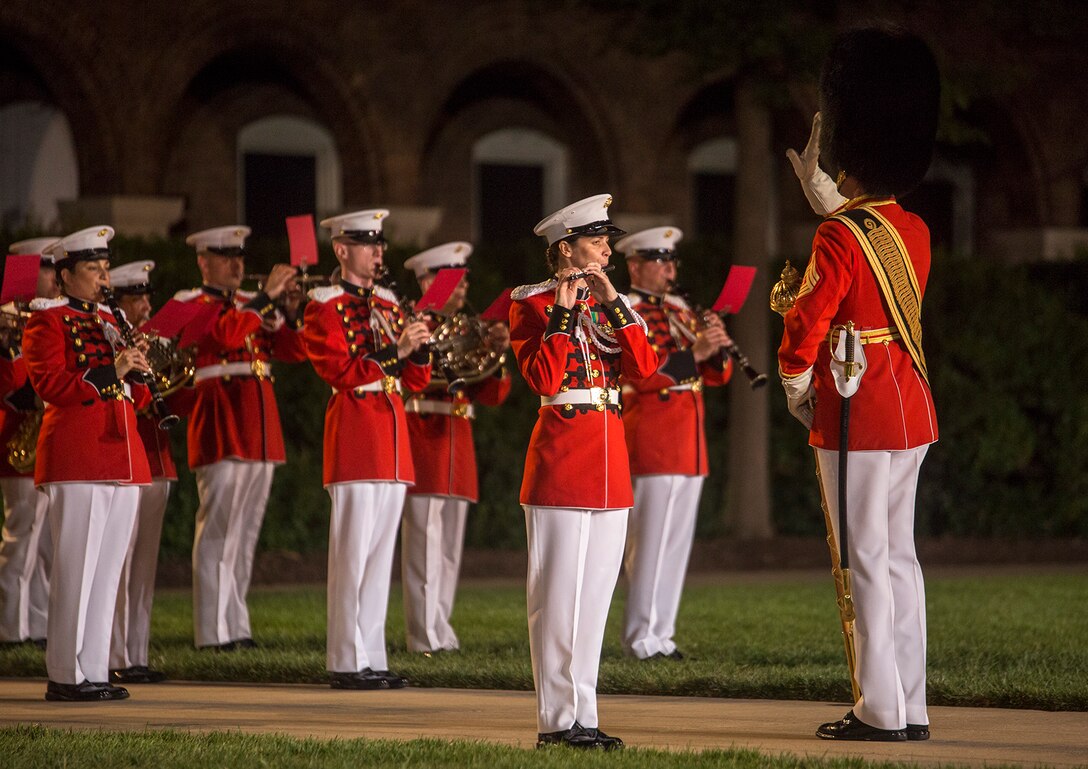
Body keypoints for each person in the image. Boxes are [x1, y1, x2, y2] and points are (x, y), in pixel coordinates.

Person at [778, 26, 941, 742]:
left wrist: (792, 381)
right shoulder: (913, 228)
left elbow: (809, 318)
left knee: (865, 559)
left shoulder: (838, 235)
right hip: (910, 403)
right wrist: (832, 198)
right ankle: (911, 700)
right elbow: (864, 250)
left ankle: (879, 709)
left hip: (859, 408)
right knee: (899, 557)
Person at [510, 193, 658, 750]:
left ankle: (585, 716)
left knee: (594, 600)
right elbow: (546, 379)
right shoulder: (529, 304)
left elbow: (645, 366)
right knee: (556, 599)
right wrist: (566, 309)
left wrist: (612, 299)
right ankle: (555, 721)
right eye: (598, 241)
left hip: (609, 463)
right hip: (560, 462)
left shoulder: (611, 303)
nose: (608, 250)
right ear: (566, 248)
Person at [302, 209, 431, 690]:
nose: (379, 253)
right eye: (367, 244)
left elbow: (413, 378)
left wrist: (419, 348)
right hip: (356, 431)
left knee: (379, 559)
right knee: (353, 555)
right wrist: (395, 352)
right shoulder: (325, 304)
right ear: (342, 250)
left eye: (379, 244)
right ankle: (344, 658)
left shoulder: (391, 302)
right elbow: (337, 368)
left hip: (391, 435)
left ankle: (371, 655)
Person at [23, 226, 152, 701]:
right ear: (63, 276)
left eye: (104, 269)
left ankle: (94, 668)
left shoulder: (111, 320)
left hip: (122, 450)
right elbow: (51, 384)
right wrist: (110, 371)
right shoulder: (46, 321)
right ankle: (64, 673)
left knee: (107, 570)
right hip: (76, 453)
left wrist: (139, 376)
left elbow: (128, 395)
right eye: (93, 270)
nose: (103, 277)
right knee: (76, 567)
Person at [178, 226, 306, 650]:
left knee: (245, 532)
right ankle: (211, 632)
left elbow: (296, 350)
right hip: (221, 420)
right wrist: (264, 298)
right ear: (203, 261)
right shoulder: (190, 303)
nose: (237, 264)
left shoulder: (250, 305)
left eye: (239, 256)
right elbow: (223, 337)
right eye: (225, 255)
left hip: (257, 423)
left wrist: (290, 310)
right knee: (218, 529)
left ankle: (236, 624)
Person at [613, 226, 733, 661]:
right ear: (634, 266)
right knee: (648, 545)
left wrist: (716, 347)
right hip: (653, 437)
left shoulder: (681, 309)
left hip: (687, 440)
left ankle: (662, 635)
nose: (669, 269)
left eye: (671, 261)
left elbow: (717, 376)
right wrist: (695, 354)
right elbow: (639, 373)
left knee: (675, 546)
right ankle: (640, 637)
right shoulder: (626, 309)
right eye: (659, 261)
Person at [399, 242, 511, 656]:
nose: (462, 288)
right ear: (428, 281)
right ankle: (423, 636)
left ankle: (441, 631)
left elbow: (491, 393)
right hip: (423, 434)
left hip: (457, 440)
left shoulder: (466, 328)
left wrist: (497, 353)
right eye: (452, 279)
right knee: (424, 546)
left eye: (464, 279)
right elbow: (412, 377)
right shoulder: (411, 323)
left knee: (447, 551)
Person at [107, 260, 188, 684]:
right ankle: (115, 653)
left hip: (160, 461)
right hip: (126, 460)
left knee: (144, 569)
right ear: (118, 304)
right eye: (135, 298)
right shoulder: (116, 346)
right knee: (119, 564)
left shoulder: (146, 344)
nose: (145, 305)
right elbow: (128, 404)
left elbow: (172, 405)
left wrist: (173, 377)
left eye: (146, 296)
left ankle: (135, 654)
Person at [0, 237, 59, 648]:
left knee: (42, 543)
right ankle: (8, 629)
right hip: (15, 437)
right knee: (21, 536)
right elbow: (10, 383)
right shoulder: (8, 319)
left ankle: (35, 624)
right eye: (48, 269)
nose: (56, 278)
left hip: (42, 434)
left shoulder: (46, 316)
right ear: (28, 272)